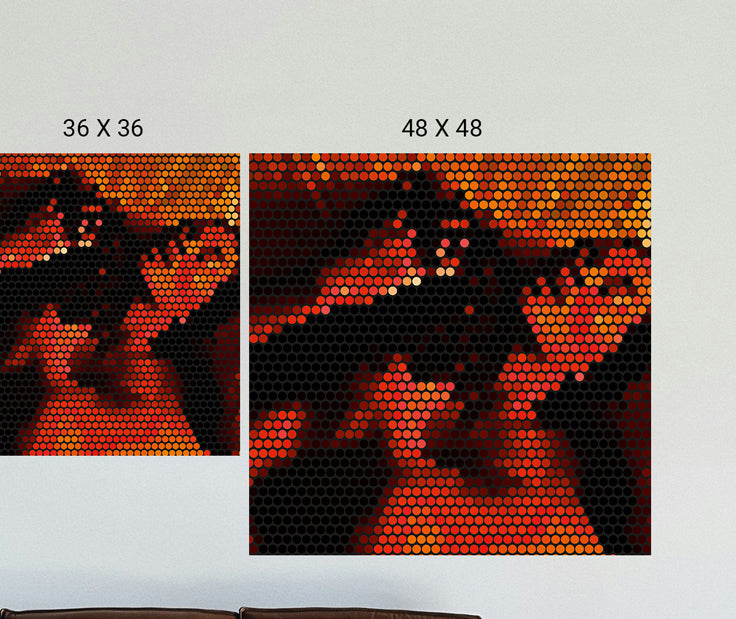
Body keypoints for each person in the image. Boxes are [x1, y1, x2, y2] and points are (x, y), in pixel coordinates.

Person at [249, 160, 651, 553]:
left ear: (606, 350)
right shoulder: (464, 282)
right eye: (593, 256)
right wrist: (326, 292)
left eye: (621, 287)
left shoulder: (542, 481)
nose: (584, 271)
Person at [0, 171, 239, 455]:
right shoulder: (91, 262)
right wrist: (1, 255)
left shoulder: (166, 387)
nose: (187, 243)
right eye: (193, 231)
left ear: (202, 301)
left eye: (210, 255)